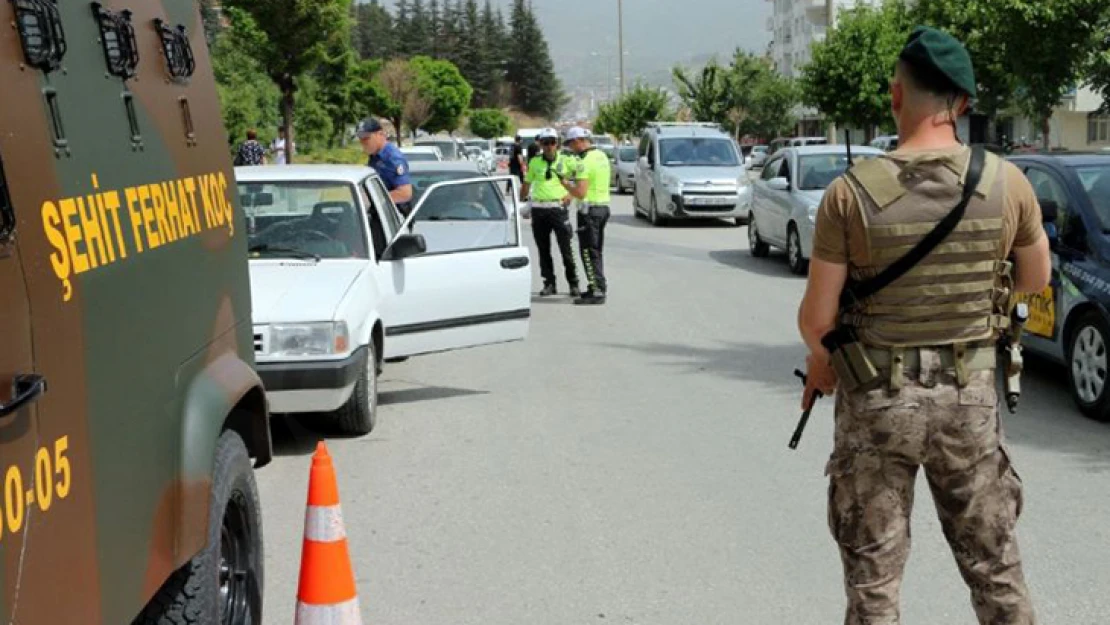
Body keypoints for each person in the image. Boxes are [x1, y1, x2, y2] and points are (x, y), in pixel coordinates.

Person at [797, 26, 1051, 624]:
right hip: (969, 399)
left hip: (877, 401)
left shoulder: (848, 195)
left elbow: (817, 319)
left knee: (874, 581)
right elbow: (1036, 280)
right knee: (995, 567)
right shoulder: (1007, 182)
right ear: (961, 103)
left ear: (895, 95)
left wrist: (821, 361)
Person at [519, 127, 580, 297]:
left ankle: (573, 283)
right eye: (545, 143)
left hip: (558, 209)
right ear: (540, 144)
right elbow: (527, 183)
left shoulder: (567, 160)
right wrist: (522, 198)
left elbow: (581, 178)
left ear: (557, 144)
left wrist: (571, 193)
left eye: (552, 142)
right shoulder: (534, 162)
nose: (549, 146)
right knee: (543, 249)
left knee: (566, 248)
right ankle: (549, 283)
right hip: (539, 209)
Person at [562, 126, 612, 306]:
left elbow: (581, 192)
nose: (570, 148)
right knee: (596, 250)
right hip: (603, 208)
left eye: (570, 144)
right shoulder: (601, 156)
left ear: (578, 141)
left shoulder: (584, 161)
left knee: (588, 251)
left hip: (589, 210)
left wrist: (566, 184)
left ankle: (597, 290)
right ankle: (597, 286)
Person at [356, 117, 414, 215]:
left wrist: (372, 199)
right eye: (361, 139)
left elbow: (405, 193)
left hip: (395, 215)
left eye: (366, 138)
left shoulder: (392, 157)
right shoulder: (375, 156)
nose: (363, 143)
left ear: (380, 134)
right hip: (381, 212)